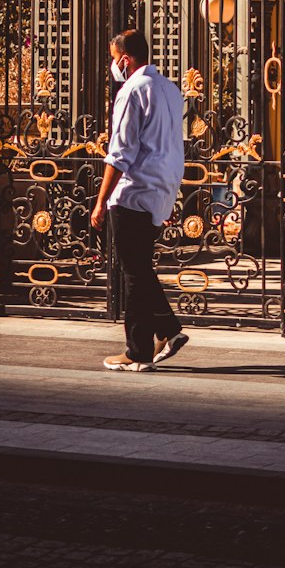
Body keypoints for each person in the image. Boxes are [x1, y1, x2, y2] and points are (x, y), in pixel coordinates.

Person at [90, 28, 188, 372]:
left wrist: (100, 201)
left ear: (125, 59)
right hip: (161, 189)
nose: (113, 66)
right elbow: (173, 145)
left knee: (132, 272)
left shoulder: (132, 90)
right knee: (141, 268)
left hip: (133, 192)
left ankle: (137, 351)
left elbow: (120, 153)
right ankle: (168, 330)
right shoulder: (171, 90)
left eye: (114, 60)